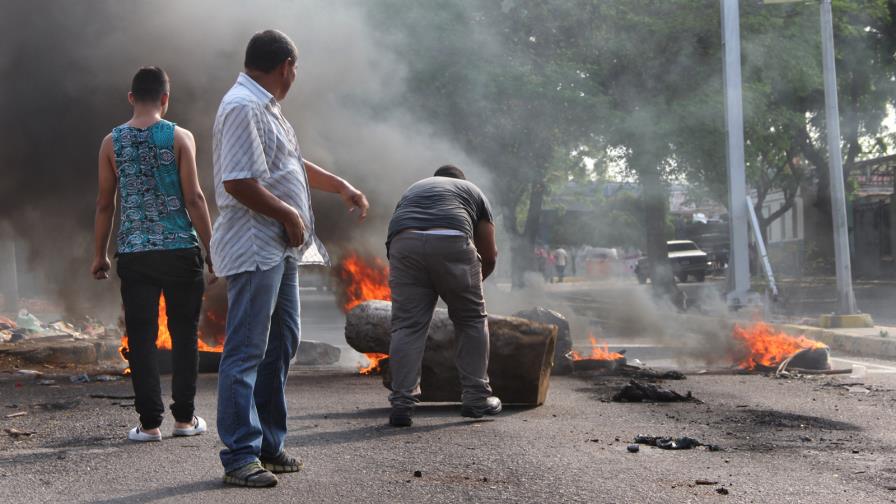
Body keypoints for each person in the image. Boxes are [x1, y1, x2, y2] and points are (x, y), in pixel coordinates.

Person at [212, 30, 369, 487]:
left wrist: (341, 186)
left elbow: (290, 165)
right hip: (254, 245)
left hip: (277, 248)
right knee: (245, 351)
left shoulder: (266, 109)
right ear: (286, 66)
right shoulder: (242, 107)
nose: (295, 76)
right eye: (295, 69)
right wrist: (287, 214)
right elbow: (237, 181)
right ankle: (240, 456)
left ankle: (268, 446)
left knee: (283, 341)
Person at [91, 66, 215, 443]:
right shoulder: (180, 137)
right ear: (165, 98)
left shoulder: (111, 143)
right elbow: (194, 198)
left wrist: (99, 254)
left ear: (131, 98)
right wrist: (213, 250)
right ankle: (184, 419)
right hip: (180, 250)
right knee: (183, 333)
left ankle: (148, 425)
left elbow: (104, 204)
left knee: (142, 337)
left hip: (135, 253)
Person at [385, 165, 499, 427]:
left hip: (404, 244)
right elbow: (490, 255)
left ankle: (402, 403)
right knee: (471, 320)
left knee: (407, 326)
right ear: (462, 181)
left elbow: (397, 232)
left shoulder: (414, 189)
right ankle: (476, 399)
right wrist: (468, 287)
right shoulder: (472, 191)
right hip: (452, 239)